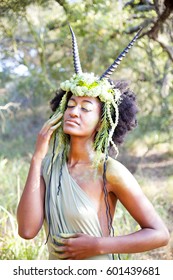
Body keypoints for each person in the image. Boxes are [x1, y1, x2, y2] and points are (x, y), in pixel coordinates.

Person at [17, 26, 170, 260]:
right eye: (70, 105)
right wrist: (38, 156)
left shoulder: (110, 171)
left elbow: (159, 234)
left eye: (85, 108)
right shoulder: (48, 166)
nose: (74, 112)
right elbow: (27, 231)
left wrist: (99, 245)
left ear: (102, 123)